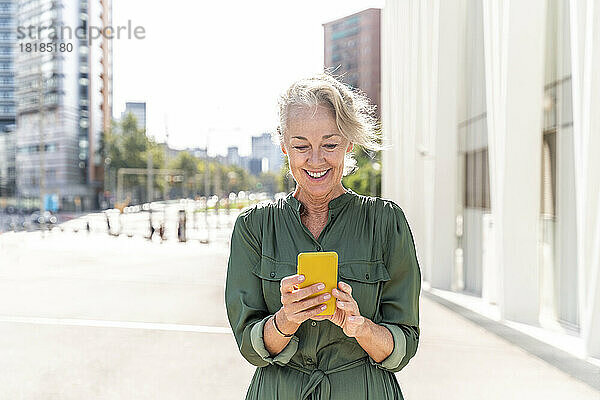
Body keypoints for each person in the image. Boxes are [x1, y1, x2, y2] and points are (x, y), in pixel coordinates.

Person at [225, 73, 421, 400]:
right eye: (302, 146)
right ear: (285, 146)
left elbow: (404, 344)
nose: (316, 160)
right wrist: (286, 319)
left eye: (330, 144)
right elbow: (250, 346)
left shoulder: (387, 224)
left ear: (349, 143)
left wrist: (361, 327)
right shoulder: (254, 227)